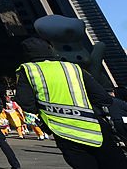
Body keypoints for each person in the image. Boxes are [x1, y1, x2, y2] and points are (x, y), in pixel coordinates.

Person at [15, 37, 125, 169]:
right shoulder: (72, 67)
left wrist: (44, 123)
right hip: (95, 127)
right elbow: (103, 98)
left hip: (63, 132)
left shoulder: (29, 70)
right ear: (50, 49)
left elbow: (25, 103)